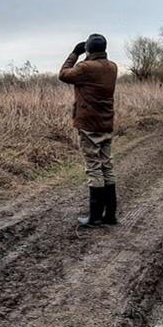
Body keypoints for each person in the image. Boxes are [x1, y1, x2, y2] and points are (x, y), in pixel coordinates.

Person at [58, 33, 117, 228]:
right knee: (106, 166)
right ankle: (110, 215)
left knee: (93, 168)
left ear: (89, 50)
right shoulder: (112, 67)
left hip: (89, 125)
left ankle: (94, 217)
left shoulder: (85, 67)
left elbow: (64, 74)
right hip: (106, 123)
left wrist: (75, 53)